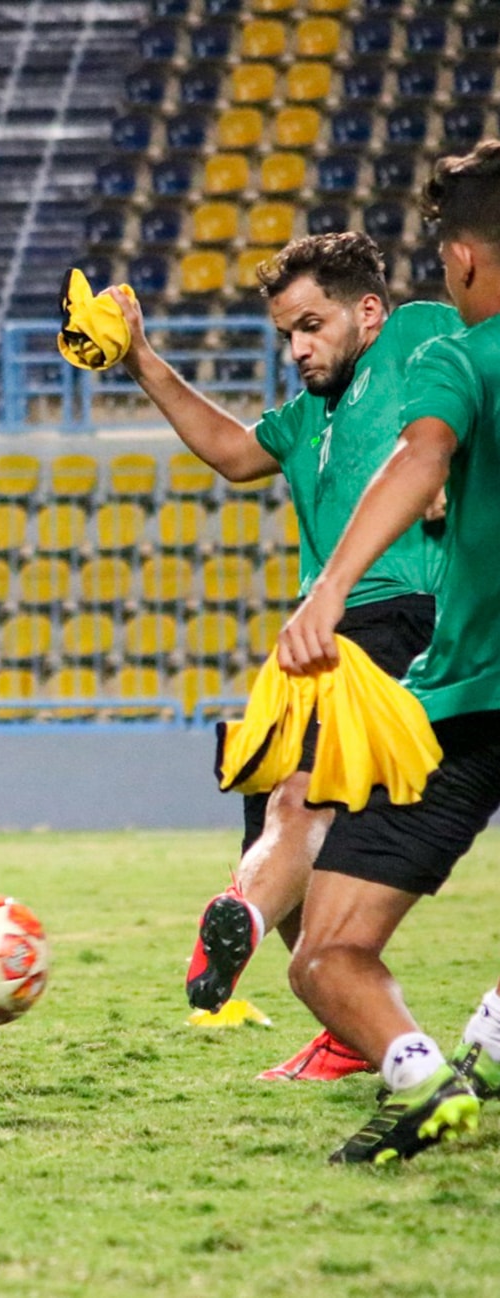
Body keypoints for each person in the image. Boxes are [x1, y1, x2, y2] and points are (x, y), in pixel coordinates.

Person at [107, 234, 453, 1081]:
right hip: (319, 635)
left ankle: (236, 917)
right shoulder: (312, 416)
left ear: (367, 311)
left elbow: (459, 413)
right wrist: (143, 359)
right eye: (286, 335)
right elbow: (231, 455)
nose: (298, 348)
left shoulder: (418, 338)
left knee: (302, 800)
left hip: (398, 614)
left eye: (312, 325)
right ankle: (338, 1026)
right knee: (271, 808)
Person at [277, 142, 500, 1163]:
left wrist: (325, 588)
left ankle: (417, 1075)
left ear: (457, 258)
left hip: (468, 691)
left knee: (324, 952)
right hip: (459, 683)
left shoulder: (458, 354)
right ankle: (471, 1058)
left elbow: (419, 450)